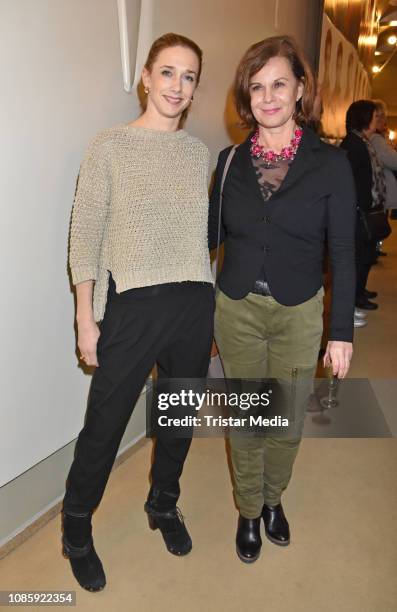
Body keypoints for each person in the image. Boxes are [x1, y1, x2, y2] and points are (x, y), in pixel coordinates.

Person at [62, 33, 215, 592]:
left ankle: (163, 503)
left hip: (193, 301)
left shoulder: (198, 153)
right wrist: (86, 316)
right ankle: (76, 528)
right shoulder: (110, 146)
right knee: (103, 425)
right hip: (132, 303)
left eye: (190, 76)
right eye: (168, 72)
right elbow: (85, 236)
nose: (178, 86)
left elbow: (194, 238)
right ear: (145, 77)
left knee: (177, 419)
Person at [208, 35, 356, 564]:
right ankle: (249, 510)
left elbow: (342, 249)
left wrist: (341, 331)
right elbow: (209, 241)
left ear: (299, 90)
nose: (268, 96)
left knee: (286, 419)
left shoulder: (330, 164)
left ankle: (274, 500)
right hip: (237, 308)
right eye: (256, 87)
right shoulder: (228, 163)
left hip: (299, 312)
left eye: (279, 84)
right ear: (246, 98)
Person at [340, 100, 386, 311]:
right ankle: (356, 296)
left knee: (367, 256)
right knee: (359, 258)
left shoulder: (365, 142)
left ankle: (361, 290)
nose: (377, 121)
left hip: (367, 208)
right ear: (364, 118)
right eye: (374, 117)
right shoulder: (352, 144)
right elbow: (347, 181)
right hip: (357, 211)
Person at [371, 100, 397, 224]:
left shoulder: (374, 137)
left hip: (377, 193)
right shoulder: (376, 138)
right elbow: (392, 160)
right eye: (382, 117)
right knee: (379, 229)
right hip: (380, 194)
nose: (384, 121)